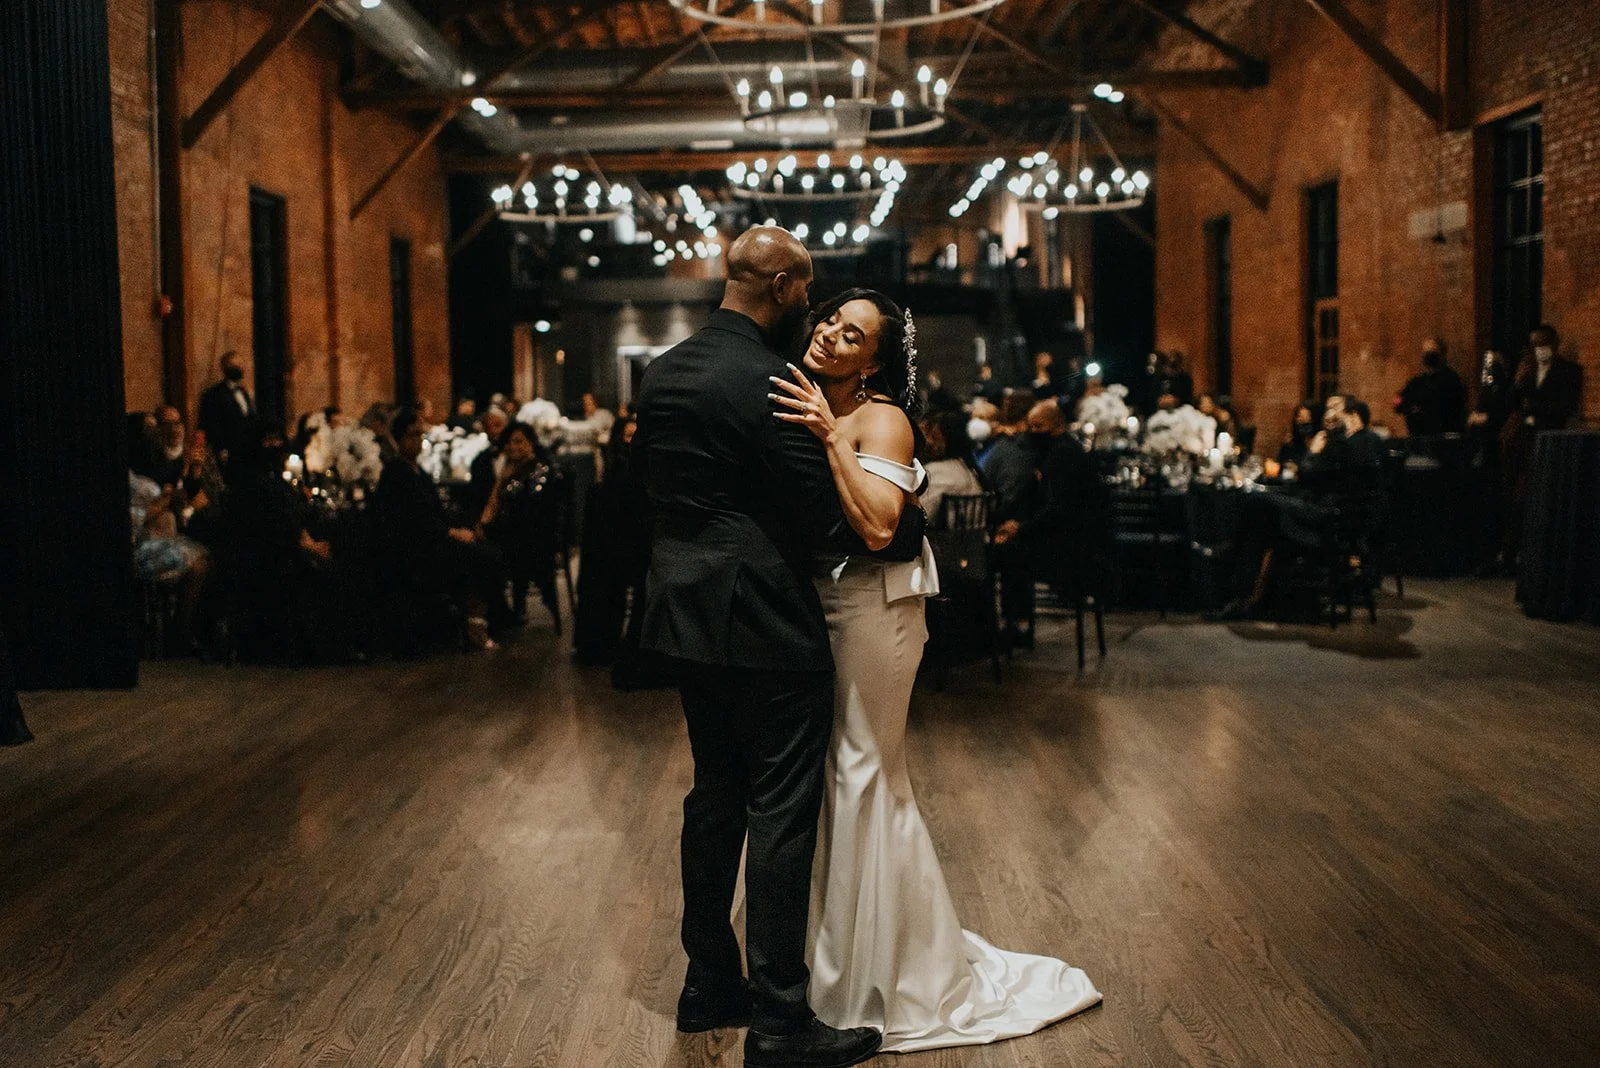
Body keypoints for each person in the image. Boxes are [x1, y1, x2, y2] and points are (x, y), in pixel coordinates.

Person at [770, 289, 1101, 1052]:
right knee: (837, 772)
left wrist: (829, 438)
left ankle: (881, 975)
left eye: (852, 335)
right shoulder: (810, 396)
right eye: (830, 321)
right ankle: (826, 959)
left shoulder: (882, 418)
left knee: (863, 770)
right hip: (826, 602)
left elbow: (880, 524)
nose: (831, 335)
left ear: (873, 362)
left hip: (877, 608)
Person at [631, 226, 883, 1068]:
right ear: (780, 286)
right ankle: (781, 1021)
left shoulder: (664, 372)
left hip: (683, 611)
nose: (810, 307)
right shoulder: (772, 379)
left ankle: (707, 984)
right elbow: (825, 521)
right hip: (766, 618)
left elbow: (651, 490)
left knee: (715, 795)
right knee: (780, 810)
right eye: (806, 292)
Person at [373, 408, 506, 651]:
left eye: (420, 435)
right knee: (481, 557)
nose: (418, 441)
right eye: (412, 435)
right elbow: (412, 520)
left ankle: (481, 617)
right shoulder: (396, 472)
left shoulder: (419, 471)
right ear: (400, 439)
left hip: (434, 539)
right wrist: (450, 533)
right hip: (416, 548)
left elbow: (437, 513)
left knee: (488, 550)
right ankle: (474, 623)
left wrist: (461, 528)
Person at [1498, 324, 1584, 569]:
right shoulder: (1527, 370)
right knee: (1510, 496)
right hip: (1519, 440)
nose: (1539, 350)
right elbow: (1510, 403)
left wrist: (1532, 408)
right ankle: (1508, 553)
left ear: (1554, 344)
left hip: (1545, 440)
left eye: (1543, 344)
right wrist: (1517, 382)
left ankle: (1524, 553)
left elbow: (1565, 407)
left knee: (1526, 496)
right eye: (1534, 345)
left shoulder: (1569, 371)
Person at [478, 422, 562, 628]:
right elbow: (494, 503)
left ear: (530, 443)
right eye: (509, 442)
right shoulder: (508, 468)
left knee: (485, 553)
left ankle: (497, 614)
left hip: (532, 538)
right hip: (512, 534)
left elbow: (531, 508)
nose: (513, 447)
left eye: (519, 441)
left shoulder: (540, 469)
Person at [197, 351, 260, 477]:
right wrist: (221, 449)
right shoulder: (213, 395)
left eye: (239, 364)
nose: (237, 368)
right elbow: (212, 424)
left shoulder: (244, 392)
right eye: (233, 365)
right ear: (224, 368)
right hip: (228, 451)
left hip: (247, 450)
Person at [918, 411, 984, 523]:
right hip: (975, 534)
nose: (928, 441)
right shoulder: (967, 468)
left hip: (942, 534)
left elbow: (922, 515)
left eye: (934, 437)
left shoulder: (937, 472)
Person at [1394, 338, 1467, 436]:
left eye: (1432, 352)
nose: (1428, 356)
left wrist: (1418, 408)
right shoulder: (1418, 382)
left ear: (1442, 354)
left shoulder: (1451, 380)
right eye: (1426, 353)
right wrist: (1410, 407)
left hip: (1440, 437)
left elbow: (1441, 407)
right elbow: (1398, 401)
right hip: (1418, 437)